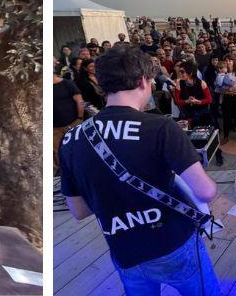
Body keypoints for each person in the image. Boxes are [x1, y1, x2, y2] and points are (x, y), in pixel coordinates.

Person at [59, 44, 221, 295]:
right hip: (173, 242)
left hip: (124, 250)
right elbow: (206, 192)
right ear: (143, 81)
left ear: (103, 84)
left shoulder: (71, 140)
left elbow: (78, 210)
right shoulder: (160, 128)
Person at [53, 69, 85, 170]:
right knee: (60, 153)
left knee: (78, 150)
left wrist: (80, 118)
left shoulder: (67, 84)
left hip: (72, 124)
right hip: (54, 130)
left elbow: (80, 101)